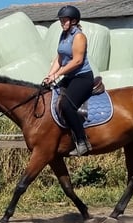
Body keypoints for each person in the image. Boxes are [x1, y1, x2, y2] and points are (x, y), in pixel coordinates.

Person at [43, 5, 94, 156]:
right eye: (61, 20)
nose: (61, 22)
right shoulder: (64, 35)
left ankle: (82, 141)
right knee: (49, 97)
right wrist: (49, 75)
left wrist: (57, 75)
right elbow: (60, 58)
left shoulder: (79, 36)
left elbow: (77, 61)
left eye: (64, 20)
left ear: (73, 21)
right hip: (69, 77)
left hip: (82, 78)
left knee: (66, 105)